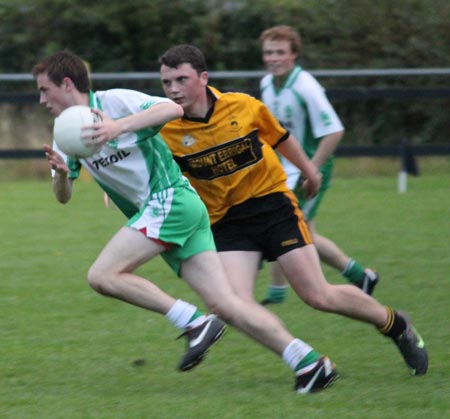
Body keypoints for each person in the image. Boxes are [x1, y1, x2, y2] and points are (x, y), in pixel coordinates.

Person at [33, 49, 341, 394]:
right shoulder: (65, 133)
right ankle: (309, 363)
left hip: (170, 202)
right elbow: (63, 196)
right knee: (227, 304)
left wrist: (117, 126)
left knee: (102, 275)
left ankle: (192, 322)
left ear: (67, 83)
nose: (42, 99)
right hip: (169, 211)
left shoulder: (115, 102)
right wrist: (60, 175)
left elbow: (171, 109)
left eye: (45, 90)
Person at [158, 44, 428, 380]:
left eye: (181, 79)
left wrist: (310, 171)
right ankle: (306, 360)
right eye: (167, 82)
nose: (173, 89)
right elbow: (150, 168)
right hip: (226, 223)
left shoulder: (243, 106)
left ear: (203, 77)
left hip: (272, 207)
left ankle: (396, 324)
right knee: (234, 305)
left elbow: (281, 138)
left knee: (318, 295)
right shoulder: (166, 128)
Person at [259, 25, 379, 305]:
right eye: (268, 53)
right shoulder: (267, 84)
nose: (273, 58)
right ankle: (360, 276)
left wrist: (311, 169)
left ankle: (288, 289)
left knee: (283, 225)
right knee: (297, 229)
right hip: (282, 168)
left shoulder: (306, 87)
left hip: (309, 169)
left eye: (280, 52)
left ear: (294, 55)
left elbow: (334, 130)